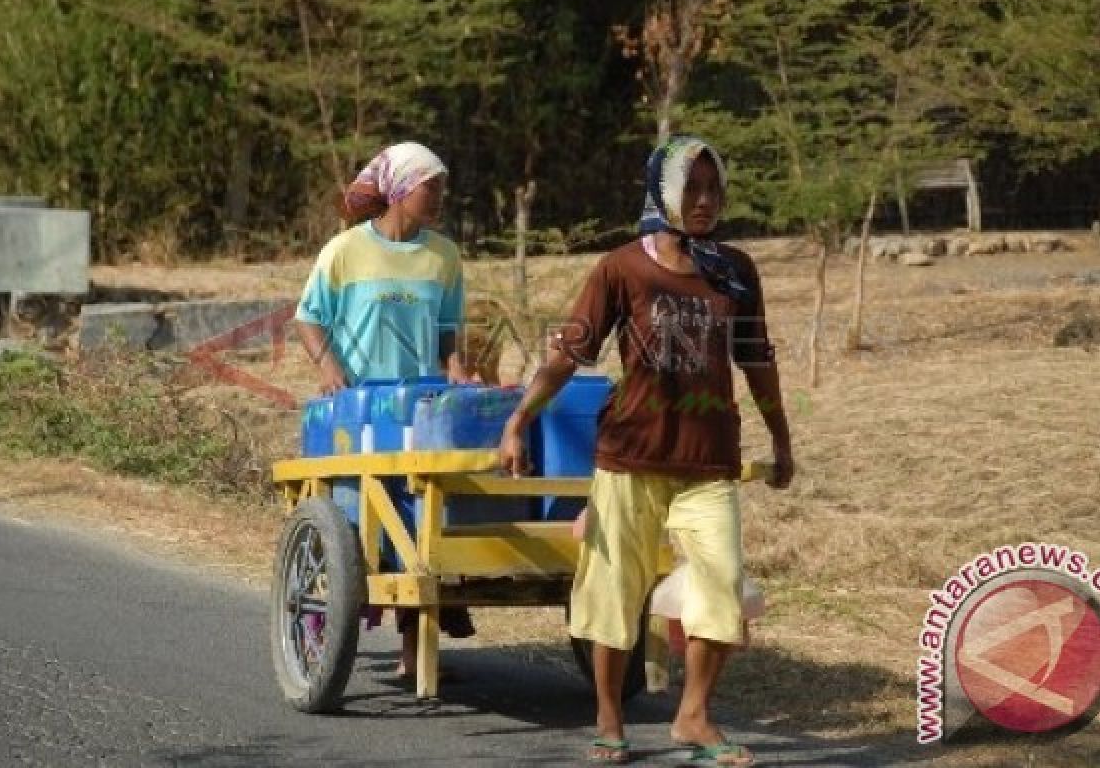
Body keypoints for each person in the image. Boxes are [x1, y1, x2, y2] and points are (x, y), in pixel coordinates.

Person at [499, 135, 794, 766]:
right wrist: (520, 420)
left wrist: (781, 437)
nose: (706, 200)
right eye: (692, 188)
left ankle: (693, 716)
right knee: (614, 592)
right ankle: (610, 717)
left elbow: (757, 360)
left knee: (721, 588)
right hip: (630, 458)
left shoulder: (736, 271)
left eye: (715, 189)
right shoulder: (621, 269)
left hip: (707, 462)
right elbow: (569, 353)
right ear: (662, 192)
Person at [294, 141, 474, 679]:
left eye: (441, 187)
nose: (439, 197)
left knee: (421, 524)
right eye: (430, 186)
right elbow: (308, 318)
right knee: (356, 526)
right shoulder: (344, 251)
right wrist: (327, 368)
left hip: (421, 411)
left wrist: (458, 368)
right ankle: (330, 632)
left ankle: (413, 650)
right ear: (399, 190)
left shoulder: (444, 256)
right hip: (359, 413)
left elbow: (448, 332)